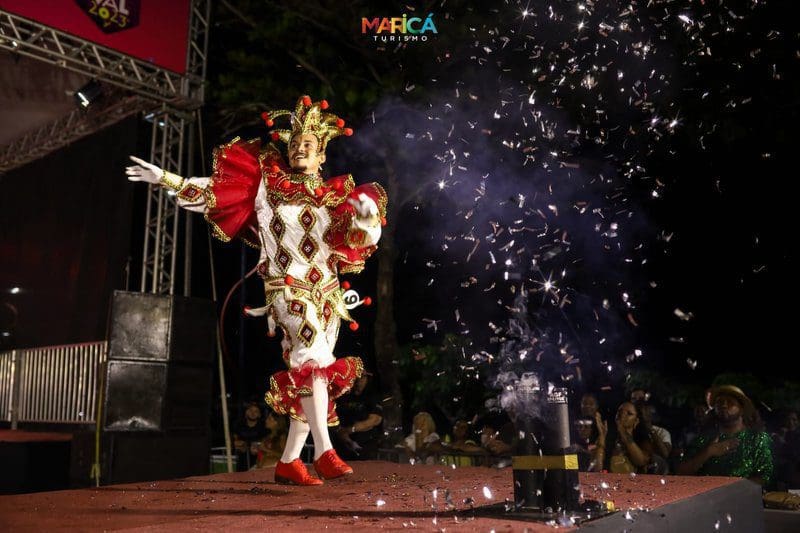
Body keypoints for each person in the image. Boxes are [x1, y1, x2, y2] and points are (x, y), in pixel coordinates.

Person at [126, 95, 387, 486]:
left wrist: (368, 220)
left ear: (321, 155)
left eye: (308, 144)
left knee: (310, 372)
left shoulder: (334, 198)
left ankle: (289, 461)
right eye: (294, 143)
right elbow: (213, 192)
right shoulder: (268, 185)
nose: (299, 148)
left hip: (328, 294)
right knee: (311, 359)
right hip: (287, 290)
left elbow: (356, 240)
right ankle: (325, 450)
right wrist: (165, 178)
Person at [677, 385, 773, 487]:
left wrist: (732, 490)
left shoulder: (757, 438)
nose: (724, 405)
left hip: (743, 496)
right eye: (719, 402)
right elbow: (681, 472)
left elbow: (765, 476)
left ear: (741, 409)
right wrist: (709, 451)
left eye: (730, 402)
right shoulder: (704, 439)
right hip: (708, 495)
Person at [593, 401, 665, 474]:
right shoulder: (607, 437)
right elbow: (596, 468)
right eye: (619, 411)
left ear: (636, 421)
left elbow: (641, 461)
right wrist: (601, 436)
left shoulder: (641, 440)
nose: (622, 414)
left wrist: (623, 431)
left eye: (629, 413)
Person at [332, 373, 384, 460]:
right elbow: (334, 417)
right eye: (357, 376)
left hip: (365, 446)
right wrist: (341, 432)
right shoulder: (343, 396)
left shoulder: (373, 397)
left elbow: (375, 420)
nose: (359, 380)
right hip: (342, 444)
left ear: (368, 379)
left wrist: (350, 429)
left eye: (363, 377)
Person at [233, 401, 269, 470]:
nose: (253, 413)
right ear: (246, 412)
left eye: (256, 411)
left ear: (259, 414)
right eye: (250, 410)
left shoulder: (264, 427)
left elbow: (265, 442)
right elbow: (235, 440)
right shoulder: (239, 425)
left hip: (259, 460)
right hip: (242, 461)